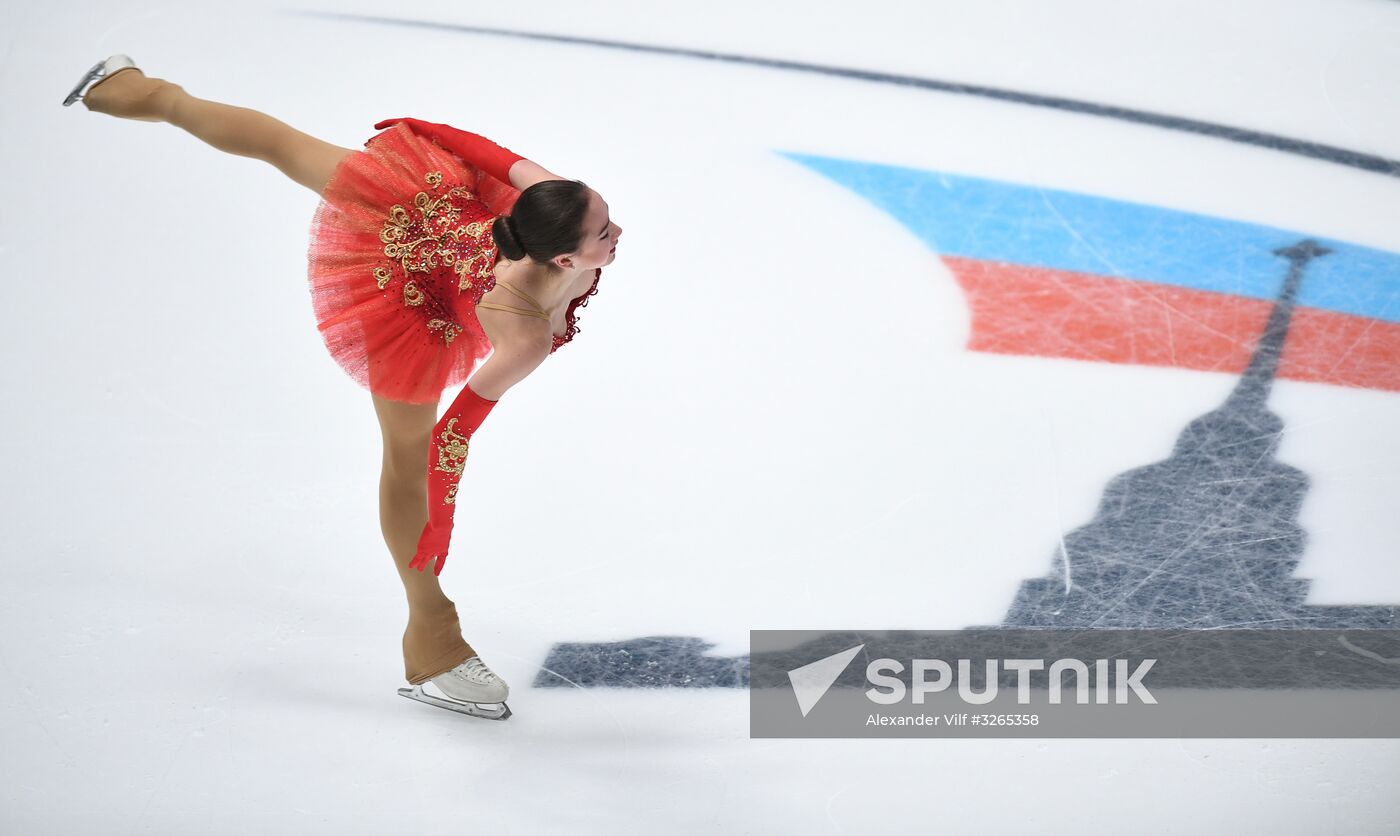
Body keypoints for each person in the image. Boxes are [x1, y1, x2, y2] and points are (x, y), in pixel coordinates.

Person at [64, 55, 622, 720]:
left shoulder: (557, 205)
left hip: (454, 212)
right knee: (406, 456)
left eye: (609, 222)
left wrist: (426, 126)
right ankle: (433, 636)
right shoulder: (520, 331)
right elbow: (455, 432)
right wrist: (440, 520)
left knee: (283, 148)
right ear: (565, 257)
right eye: (606, 231)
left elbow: (491, 156)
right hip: (410, 283)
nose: (621, 233)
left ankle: (128, 89)